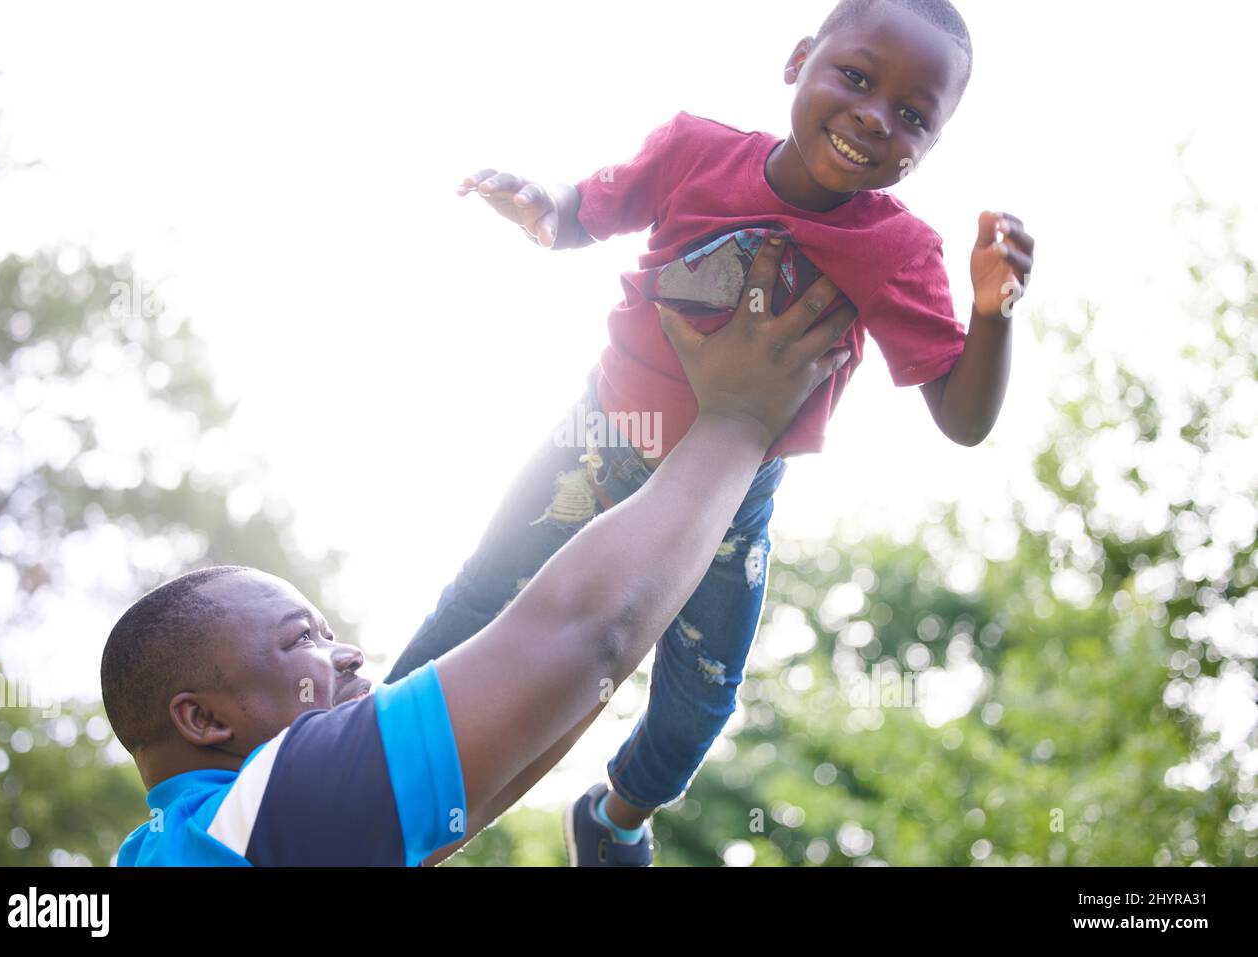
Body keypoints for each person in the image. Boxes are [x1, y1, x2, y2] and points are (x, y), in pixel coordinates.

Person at [386, 0, 1037, 864]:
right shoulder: (695, 149)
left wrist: (993, 312)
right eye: (856, 77)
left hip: (729, 504)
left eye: (914, 116)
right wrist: (540, 200)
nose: (876, 117)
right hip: (598, 433)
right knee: (481, 597)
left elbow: (962, 416)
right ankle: (364, 749)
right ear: (798, 59)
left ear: (932, 144)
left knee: (702, 697)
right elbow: (584, 210)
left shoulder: (897, 250)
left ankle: (616, 813)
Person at [103, 237, 859, 866]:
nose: (348, 654)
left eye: (329, 633)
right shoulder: (259, 814)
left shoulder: (173, 850)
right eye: (302, 638)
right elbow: (582, 636)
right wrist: (739, 419)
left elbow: (475, 791)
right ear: (201, 719)